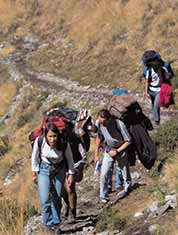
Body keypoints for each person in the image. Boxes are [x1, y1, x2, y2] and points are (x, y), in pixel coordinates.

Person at [31, 123, 74, 233]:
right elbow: (34, 157)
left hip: (59, 170)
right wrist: (34, 173)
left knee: (57, 197)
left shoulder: (63, 143)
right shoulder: (40, 141)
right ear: (46, 136)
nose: (53, 139)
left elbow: (69, 159)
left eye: (54, 136)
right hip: (44, 170)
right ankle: (48, 224)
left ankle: (56, 224)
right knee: (45, 199)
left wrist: (71, 174)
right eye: (50, 136)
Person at [94, 109, 132, 203]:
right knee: (104, 173)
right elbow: (99, 137)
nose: (102, 124)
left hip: (120, 149)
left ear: (109, 119)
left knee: (125, 172)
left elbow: (128, 141)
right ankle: (103, 196)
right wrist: (96, 154)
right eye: (100, 122)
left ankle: (128, 189)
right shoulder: (99, 124)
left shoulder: (119, 124)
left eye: (104, 122)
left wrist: (117, 151)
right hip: (108, 149)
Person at [62, 131, 87, 223]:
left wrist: (81, 163)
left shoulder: (75, 138)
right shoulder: (55, 138)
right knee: (63, 191)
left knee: (70, 188)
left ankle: (73, 213)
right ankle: (68, 204)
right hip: (60, 166)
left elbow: (82, 151)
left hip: (74, 164)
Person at [144, 58, 173, 125]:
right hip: (151, 90)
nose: (155, 69)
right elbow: (146, 82)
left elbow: (168, 78)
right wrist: (146, 92)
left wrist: (167, 75)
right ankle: (157, 117)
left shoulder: (163, 70)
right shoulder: (149, 71)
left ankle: (157, 120)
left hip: (159, 90)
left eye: (156, 67)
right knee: (153, 105)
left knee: (156, 105)